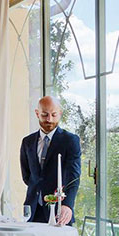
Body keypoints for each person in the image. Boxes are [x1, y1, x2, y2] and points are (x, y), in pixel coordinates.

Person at [19, 95, 81, 225]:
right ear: (37, 114)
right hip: (32, 211)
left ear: (60, 113)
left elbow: (74, 177)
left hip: (60, 212)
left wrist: (67, 205)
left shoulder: (70, 141)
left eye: (54, 115)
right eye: (44, 115)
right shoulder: (27, 142)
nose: (49, 119)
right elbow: (27, 176)